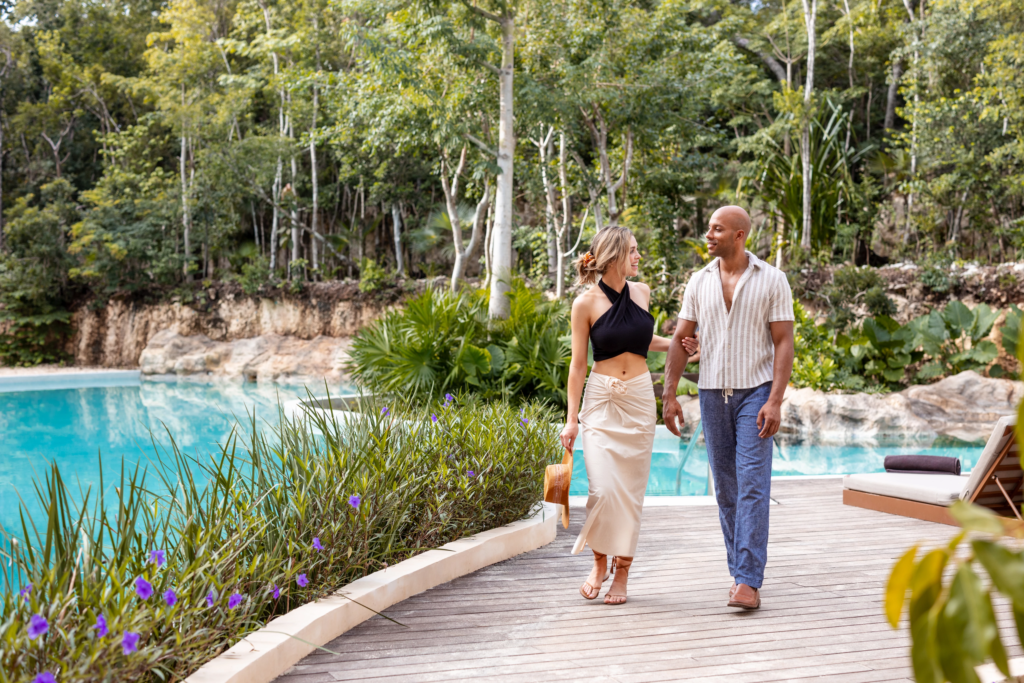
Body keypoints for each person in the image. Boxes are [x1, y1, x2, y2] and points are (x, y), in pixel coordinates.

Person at [662, 206, 795, 610]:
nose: (708, 234)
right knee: (726, 489)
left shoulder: (772, 279)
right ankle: (738, 572)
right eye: (709, 228)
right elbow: (680, 339)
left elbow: (784, 342)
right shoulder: (698, 282)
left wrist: (774, 400)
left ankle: (747, 582)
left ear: (739, 235)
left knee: (752, 485)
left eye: (716, 229)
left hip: (756, 393)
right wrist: (668, 395)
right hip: (711, 393)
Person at [559, 226, 675, 605]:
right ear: (612, 256)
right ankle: (598, 562)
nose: (639, 257)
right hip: (601, 402)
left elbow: (641, 341)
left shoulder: (641, 292)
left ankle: (622, 572)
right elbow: (578, 366)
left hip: (640, 401)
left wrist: (677, 345)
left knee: (630, 494)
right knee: (602, 490)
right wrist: (571, 418)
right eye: (633, 251)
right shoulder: (586, 304)